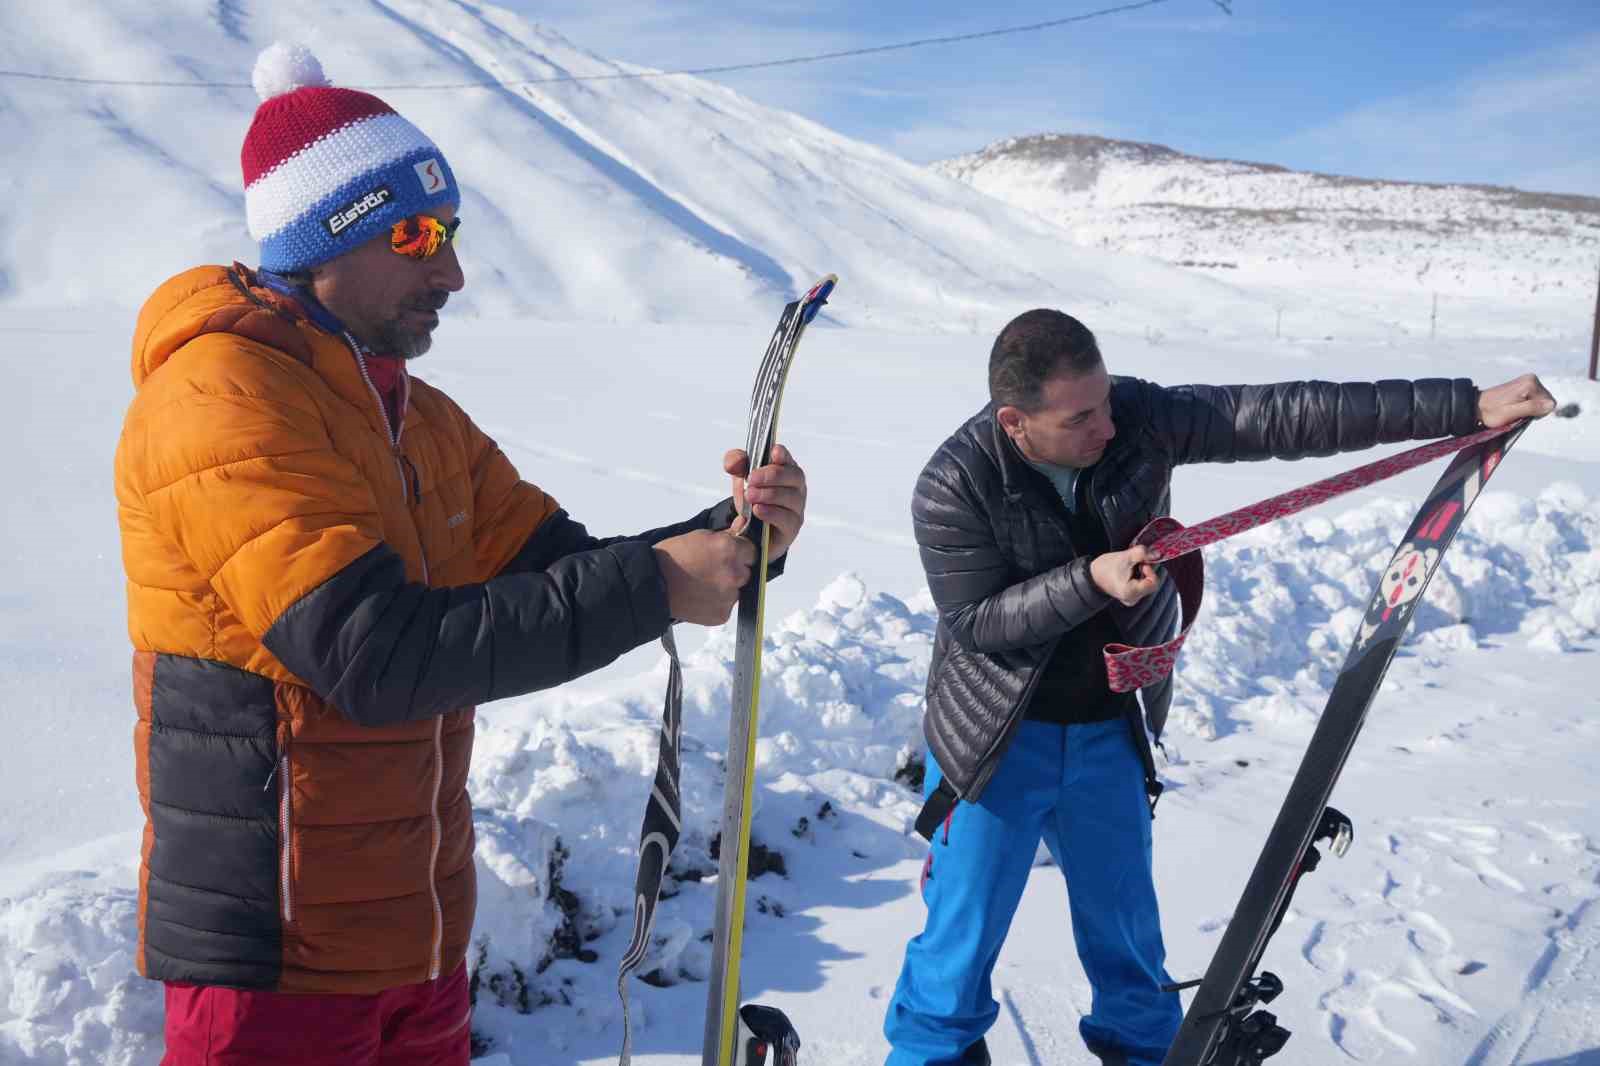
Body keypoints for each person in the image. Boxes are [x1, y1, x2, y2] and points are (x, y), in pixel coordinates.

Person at [114, 44, 808, 1066]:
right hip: (277, 960)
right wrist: (658, 582)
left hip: (416, 939)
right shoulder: (220, 398)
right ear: (323, 242)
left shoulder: (416, 415)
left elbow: (553, 567)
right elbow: (372, 655)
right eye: (415, 235)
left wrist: (728, 535)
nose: (452, 270)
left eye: (451, 234)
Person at [884, 308, 1555, 1066]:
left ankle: (1144, 1056)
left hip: (1106, 727)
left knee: (1129, 941)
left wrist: (1465, 405)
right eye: (1081, 417)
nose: (1108, 426)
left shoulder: (1136, 417)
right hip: (996, 746)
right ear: (1015, 422)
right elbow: (977, 622)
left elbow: (1276, 414)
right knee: (956, 951)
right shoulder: (954, 482)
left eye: (1106, 401)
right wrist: (1090, 581)